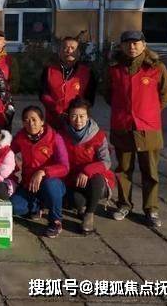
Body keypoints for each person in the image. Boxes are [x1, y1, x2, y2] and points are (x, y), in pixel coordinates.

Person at [104, 30, 167, 228]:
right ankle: (124, 204)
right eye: (127, 43)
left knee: (150, 171)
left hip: (148, 127)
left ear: (144, 45)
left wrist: (150, 110)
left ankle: (151, 209)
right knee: (123, 169)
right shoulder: (114, 69)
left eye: (136, 43)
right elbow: (107, 94)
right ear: (121, 46)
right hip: (123, 125)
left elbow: (166, 93)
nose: (132, 47)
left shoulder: (156, 67)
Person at [10, 106, 69, 238]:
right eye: (26, 120)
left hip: (52, 183)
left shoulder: (54, 137)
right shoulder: (20, 137)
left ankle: (55, 220)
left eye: (34, 119)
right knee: (14, 206)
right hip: (29, 185)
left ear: (42, 121)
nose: (30, 123)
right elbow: (7, 153)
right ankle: (38, 206)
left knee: (50, 185)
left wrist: (43, 171)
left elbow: (65, 167)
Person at [60, 98, 115, 234]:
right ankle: (82, 207)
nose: (78, 120)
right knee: (75, 200)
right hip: (71, 178)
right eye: (74, 116)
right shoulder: (62, 134)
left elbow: (106, 161)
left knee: (97, 180)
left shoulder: (98, 135)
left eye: (82, 116)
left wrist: (87, 171)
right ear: (68, 116)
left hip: (92, 178)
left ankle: (89, 215)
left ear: (88, 117)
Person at [39, 36, 97, 130]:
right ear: (59, 51)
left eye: (73, 48)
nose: (69, 51)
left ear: (78, 53)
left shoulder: (87, 73)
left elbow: (89, 99)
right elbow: (43, 94)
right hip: (53, 120)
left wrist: (75, 112)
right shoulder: (49, 71)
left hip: (77, 123)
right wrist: (57, 110)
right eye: (65, 48)